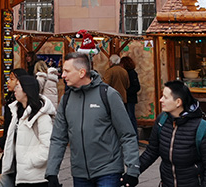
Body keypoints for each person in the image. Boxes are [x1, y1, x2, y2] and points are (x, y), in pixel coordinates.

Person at [46, 51, 139, 187]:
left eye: (67, 71)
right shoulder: (66, 99)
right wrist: (52, 172)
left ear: (82, 73)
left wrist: (132, 169)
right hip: (80, 174)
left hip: (108, 172)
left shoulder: (108, 95)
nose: (63, 75)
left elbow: (127, 135)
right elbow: (58, 138)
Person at [138, 80, 206, 187]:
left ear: (178, 102)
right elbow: (151, 152)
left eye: (165, 97)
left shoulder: (201, 128)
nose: (160, 100)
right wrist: (132, 172)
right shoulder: (161, 121)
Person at [0, 74, 56, 187]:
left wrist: (29, 161)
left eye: (18, 86)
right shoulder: (16, 113)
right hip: (16, 172)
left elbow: (48, 146)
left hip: (35, 178)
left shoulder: (41, 116)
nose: (15, 89)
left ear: (26, 90)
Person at [0, 68, 29, 187]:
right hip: (11, 154)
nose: (8, 82)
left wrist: (2, 141)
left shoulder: (24, 106)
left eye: (12, 79)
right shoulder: (11, 102)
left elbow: (14, 129)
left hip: (21, 158)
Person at [121, 56, 141, 137]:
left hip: (130, 99)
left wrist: (126, 92)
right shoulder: (127, 72)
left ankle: (134, 136)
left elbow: (136, 87)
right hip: (129, 99)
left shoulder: (131, 73)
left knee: (131, 117)